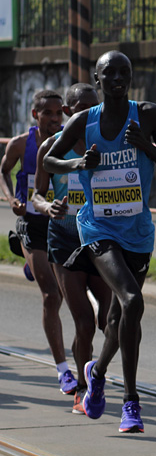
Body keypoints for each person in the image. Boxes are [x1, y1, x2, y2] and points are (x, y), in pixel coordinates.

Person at [44, 50, 156, 433]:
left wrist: (146, 146)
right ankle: (131, 402)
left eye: (125, 71)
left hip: (138, 231)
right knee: (131, 300)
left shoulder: (149, 114)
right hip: (99, 228)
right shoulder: (83, 121)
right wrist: (78, 164)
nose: (118, 77)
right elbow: (48, 161)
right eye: (110, 73)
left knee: (119, 317)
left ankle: (98, 372)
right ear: (97, 79)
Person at [33, 83, 113, 415]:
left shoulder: (108, 143)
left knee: (109, 321)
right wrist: (47, 206)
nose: (92, 113)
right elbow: (36, 194)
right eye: (83, 108)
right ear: (68, 112)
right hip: (65, 240)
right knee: (82, 320)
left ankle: (96, 372)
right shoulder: (51, 147)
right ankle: (84, 388)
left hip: (101, 238)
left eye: (96, 107)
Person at [0, 89, 77, 394]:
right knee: (52, 296)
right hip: (32, 221)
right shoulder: (21, 144)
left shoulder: (69, 142)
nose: (56, 119)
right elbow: (4, 171)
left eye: (60, 113)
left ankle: (31, 262)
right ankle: (62, 371)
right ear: (36, 115)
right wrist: (11, 199)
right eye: (49, 113)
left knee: (62, 288)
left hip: (61, 223)